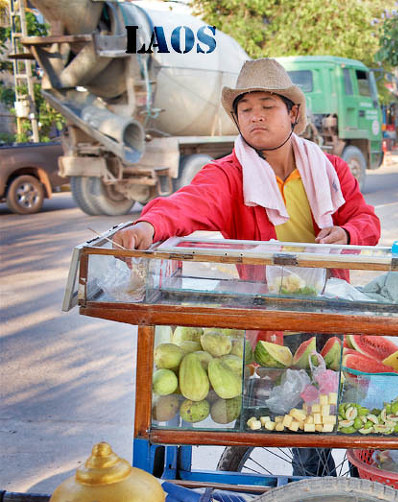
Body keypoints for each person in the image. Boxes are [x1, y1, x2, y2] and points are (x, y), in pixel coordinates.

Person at [114, 58, 382, 477]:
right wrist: (148, 225)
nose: (255, 116)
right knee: (300, 420)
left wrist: (346, 235)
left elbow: (366, 221)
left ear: (292, 112)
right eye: (245, 108)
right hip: (270, 320)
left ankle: (332, 498)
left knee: (337, 413)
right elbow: (187, 205)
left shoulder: (330, 169)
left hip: (329, 309)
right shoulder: (229, 176)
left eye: (267, 105)